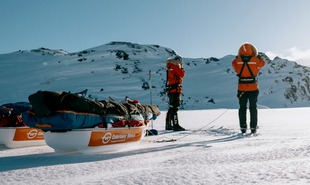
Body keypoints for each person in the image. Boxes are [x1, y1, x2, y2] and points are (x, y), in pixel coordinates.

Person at [232, 43, 265, 134]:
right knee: (253, 108)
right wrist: (258, 57)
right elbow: (263, 63)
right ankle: (253, 128)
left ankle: (243, 128)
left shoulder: (237, 61)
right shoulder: (256, 60)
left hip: (241, 88)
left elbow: (234, 65)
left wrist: (238, 58)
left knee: (242, 108)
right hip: (253, 88)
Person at [165, 55, 186, 131]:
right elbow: (182, 74)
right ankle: (175, 125)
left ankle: (168, 125)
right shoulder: (174, 67)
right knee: (175, 107)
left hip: (171, 89)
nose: (181, 63)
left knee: (171, 107)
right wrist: (181, 67)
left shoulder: (170, 67)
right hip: (175, 90)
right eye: (180, 61)